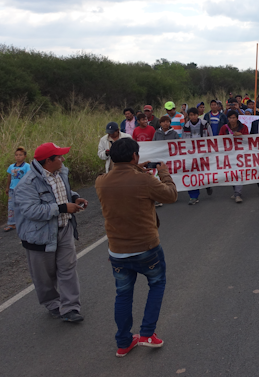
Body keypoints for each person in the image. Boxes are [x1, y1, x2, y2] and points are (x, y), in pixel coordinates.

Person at [95, 138, 179, 357]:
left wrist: (134, 169)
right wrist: (164, 173)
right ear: (135, 156)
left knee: (122, 295)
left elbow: (121, 181)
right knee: (157, 284)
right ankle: (147, 334)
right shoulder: (144, 181)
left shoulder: (101, 182)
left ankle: (123, 342)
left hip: (117, 250)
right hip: (146, 247)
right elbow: (171, 195)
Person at [14, 142, 87, 323]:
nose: (63, 159)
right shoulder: (27, 184)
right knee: (44, 275)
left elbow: (63, 192)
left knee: (68, 268)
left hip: (64, 230)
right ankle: (53, 304)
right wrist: (63, 207)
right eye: (59, 157)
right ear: (48, 161)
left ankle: (70, 308)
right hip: (39, 236)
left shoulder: (60, 173)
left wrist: (75, 198)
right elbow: (32, 211)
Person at [183, 107, 213, 203]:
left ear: (198, 115)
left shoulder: (205, 124)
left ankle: (207, 185)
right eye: (191, 115)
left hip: (203, 153)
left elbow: (211, 137)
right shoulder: (186, 126)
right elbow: (184, 141)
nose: (193, 117)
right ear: (188, 116)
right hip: (191, 154)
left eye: (195, 115)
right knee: (192, 174)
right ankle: (193, 196)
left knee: (204, 172)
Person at [220, 110, 249, 203]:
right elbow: (219, 140)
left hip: (241, 154)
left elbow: (249, 140)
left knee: (239, 173)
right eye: (230, 118)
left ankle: (238, 194)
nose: (232, 120)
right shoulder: (224, 128)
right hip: (229, 154)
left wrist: (241, 135)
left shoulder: (243, 127)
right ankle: (236, 191)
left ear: (237, 118)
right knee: (232, 173)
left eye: (233, 118)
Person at [4, 146, 30, 231]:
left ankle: (24, 221)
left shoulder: (27, 166)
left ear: (24, 156)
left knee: (22, 205)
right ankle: (11, 223)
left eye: (20, 155)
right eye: (16, 155)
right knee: (11, 206)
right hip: (12, 189)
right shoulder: (11, 166)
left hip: (22, 189)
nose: (18, 156)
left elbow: (28, 178)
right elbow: (9, 177)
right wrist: (7, 187)